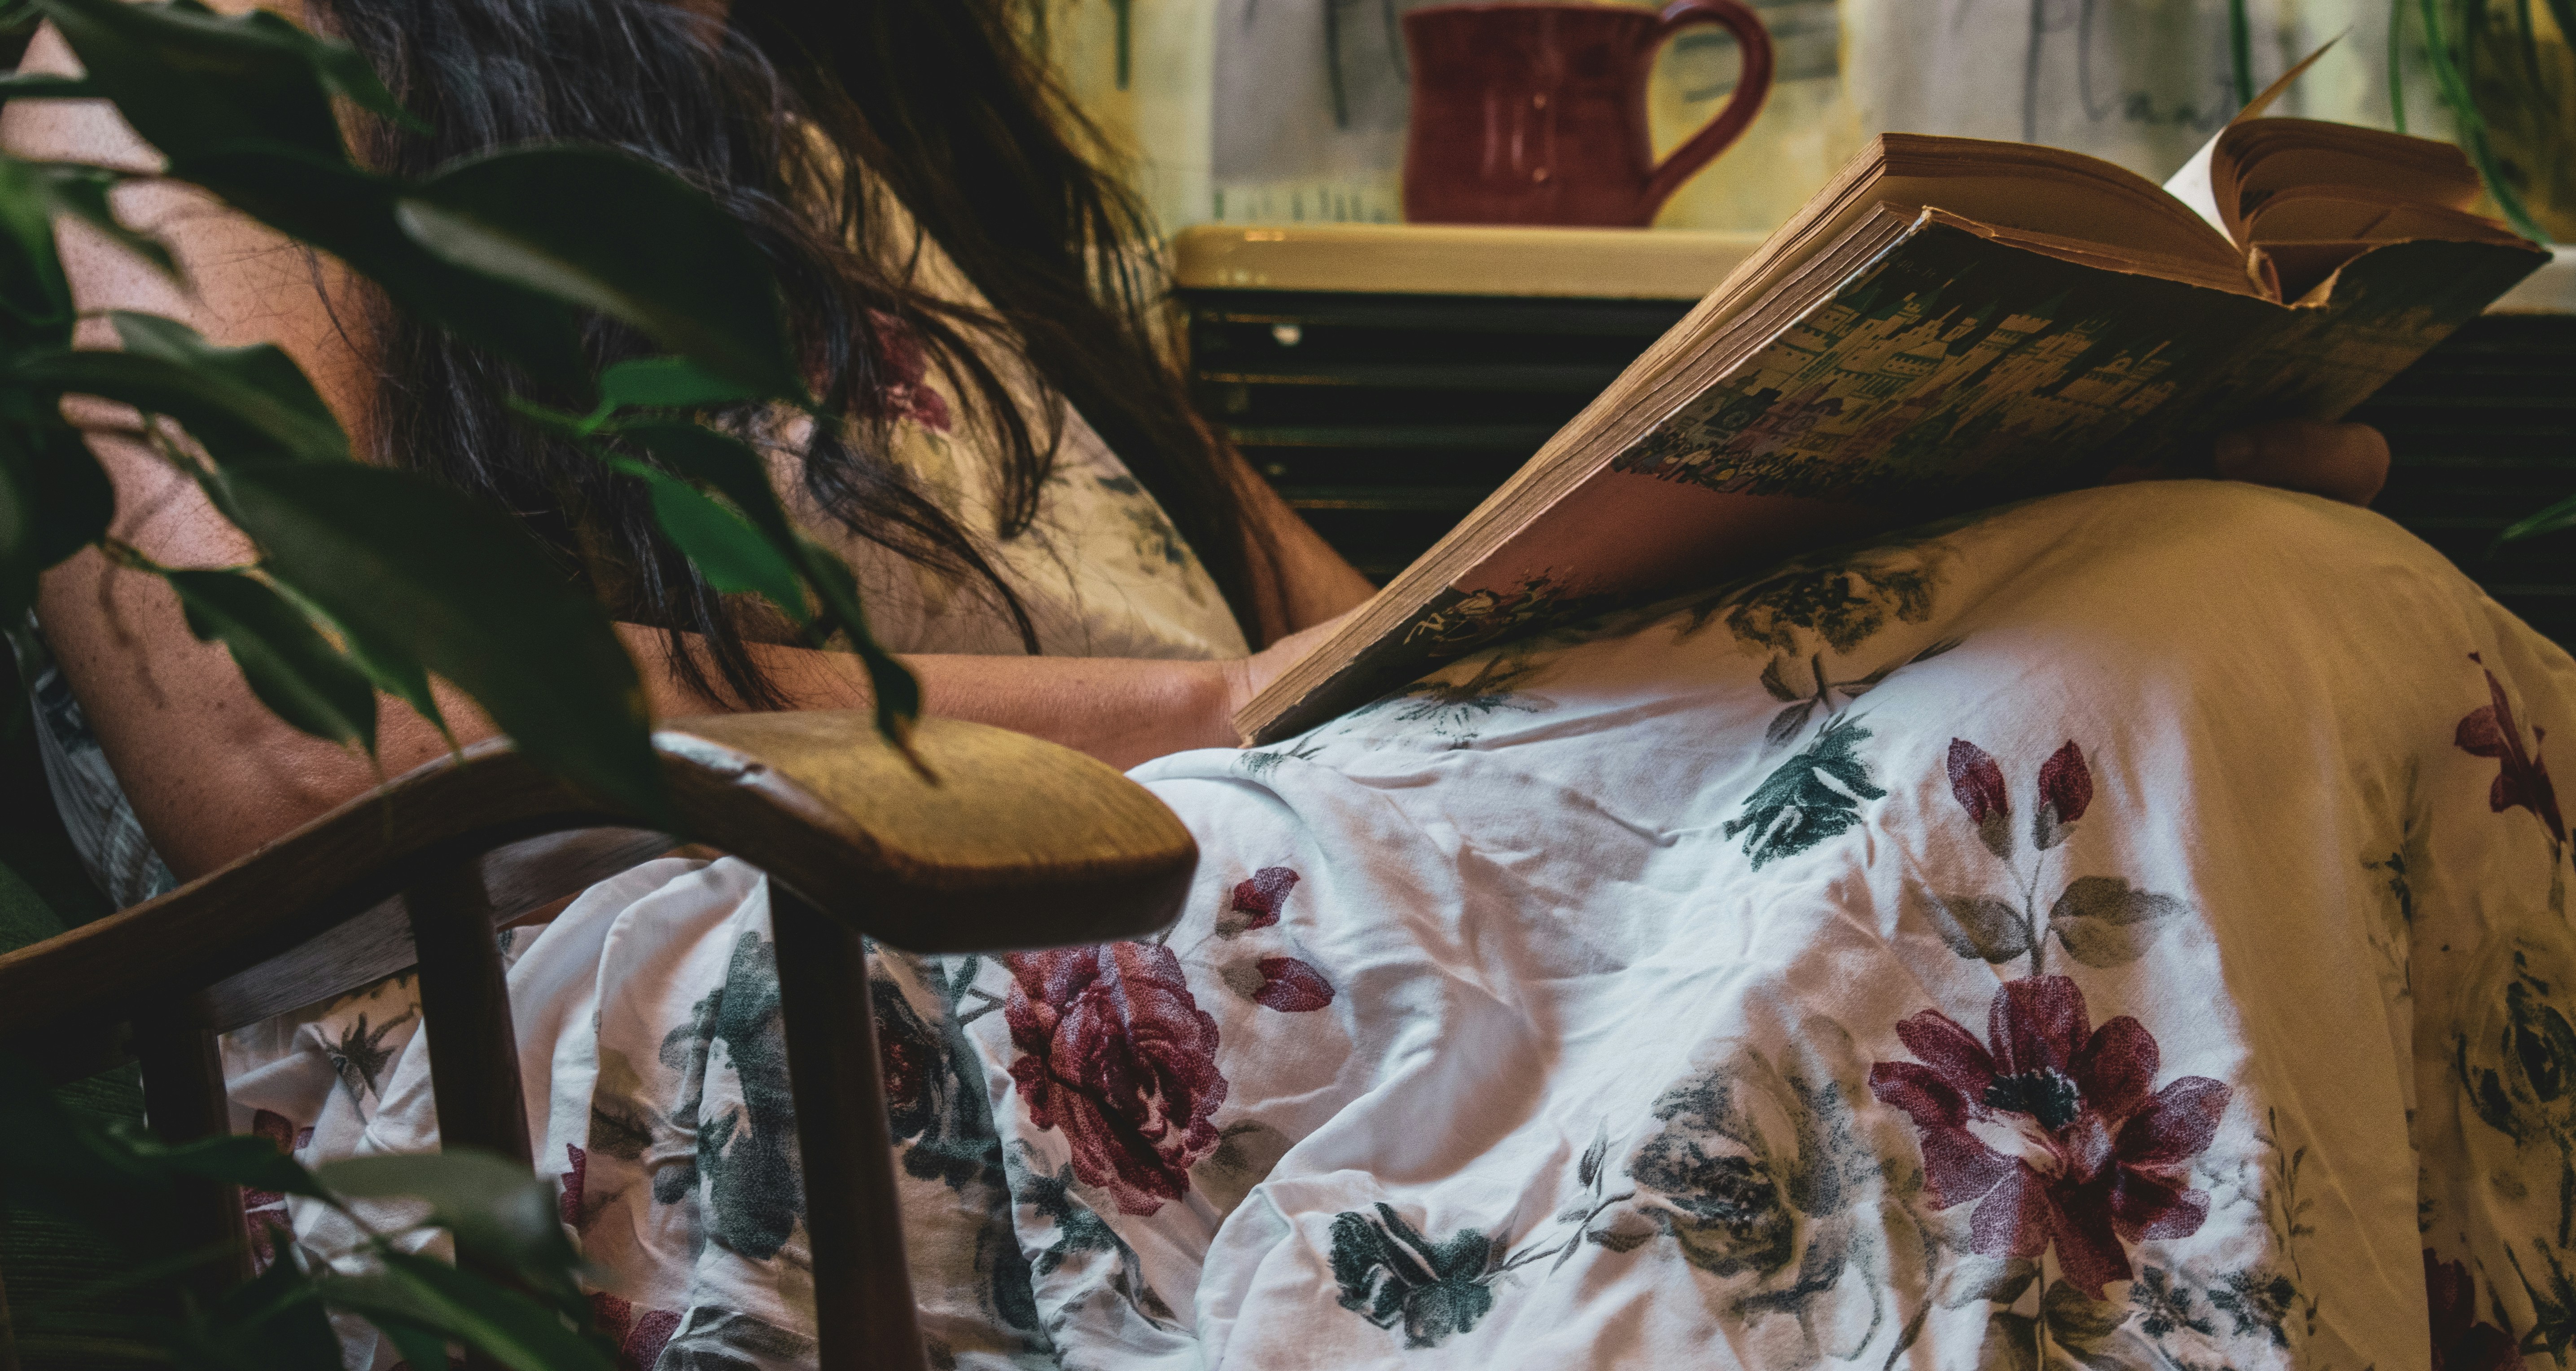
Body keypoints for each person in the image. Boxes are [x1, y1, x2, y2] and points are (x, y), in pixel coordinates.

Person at [7, 0, 2529, 1368]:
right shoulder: (172, 59)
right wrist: (1233, 691)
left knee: (2242, 569)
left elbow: (1381, 636)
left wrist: (1939, 485)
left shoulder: (866, 111)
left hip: (1214, 828)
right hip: (726, 930)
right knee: (2154, 660)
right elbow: (310, 732)